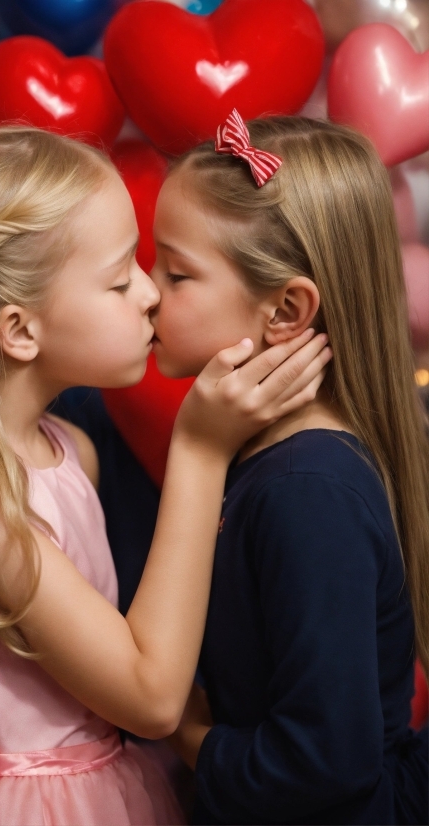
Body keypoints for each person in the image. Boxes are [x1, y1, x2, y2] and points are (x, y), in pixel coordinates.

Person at [0, 126, 330, 826]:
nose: (150, 296)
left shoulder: (71, 449)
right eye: (121, 277)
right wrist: (201, 447)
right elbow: (151, 697)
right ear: (20, 330)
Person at [149, 111, 429, 825]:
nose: (148, 291)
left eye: (175, 272)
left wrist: (189, 738)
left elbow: (324, 762)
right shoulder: (269, 458)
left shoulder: (308, 493)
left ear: (286, 310)